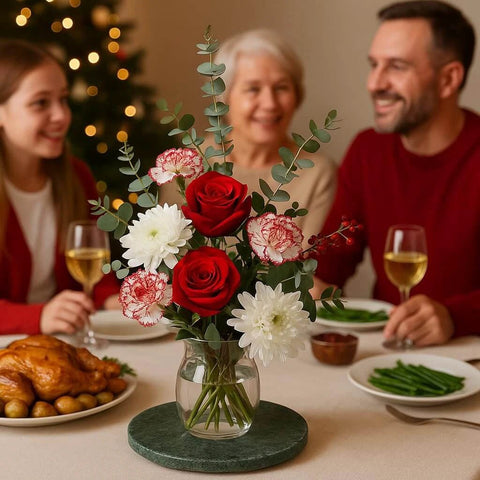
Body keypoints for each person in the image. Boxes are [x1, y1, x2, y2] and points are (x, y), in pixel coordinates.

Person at [313, 0, 479, 346]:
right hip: (391, 357)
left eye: (396, 67)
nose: (375, 83)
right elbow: (329, 265)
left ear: (449, 79)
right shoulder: (367, 151)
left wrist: (453, 316)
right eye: (374, 65)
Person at [159, 29, 337, 246]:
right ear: (224, 98)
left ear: (297, 96)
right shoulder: (187, 166)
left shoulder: (318, 174)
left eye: (281, 88)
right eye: (253, 89)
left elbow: (311, 274)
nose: (270, 103)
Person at [0, 39, 119, 336]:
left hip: (64, 344)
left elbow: (96, 279)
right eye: (41, 102)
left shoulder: (76, 176)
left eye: (63, 99)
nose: (61, 116)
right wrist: (38, 317)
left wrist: (115, 300)